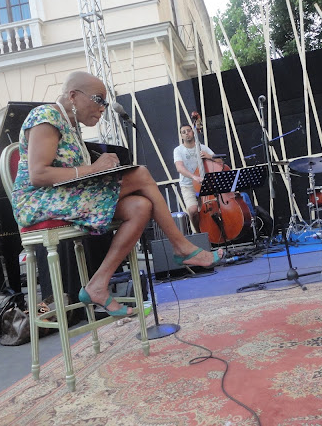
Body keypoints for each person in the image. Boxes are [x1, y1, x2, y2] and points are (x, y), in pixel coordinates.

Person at [11, 71, 223, 317]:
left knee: (140, 207)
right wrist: (94, 168)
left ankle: (98, 284)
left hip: (66, 197)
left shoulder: (71, 126)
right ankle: (181, 247)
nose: (103, 108)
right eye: (99, 100)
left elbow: (74, 174)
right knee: (141, 174)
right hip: (39, 201)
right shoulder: (45, 116)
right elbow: (38, 174)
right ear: (73, 96)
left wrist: (103, 168)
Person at [174, 124, 215, 232]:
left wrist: (210, 157)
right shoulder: (178, 150)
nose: (187, 133)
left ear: (193, 132)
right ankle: (199, 233)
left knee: (213, 209)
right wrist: (194, 177)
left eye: (189, 130)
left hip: (205, 185)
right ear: (181, 136)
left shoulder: (202, 147)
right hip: (188, 185)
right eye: (184, 132)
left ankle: (215, 232)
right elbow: (179, 168)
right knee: (193, 211)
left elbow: (220, 162)